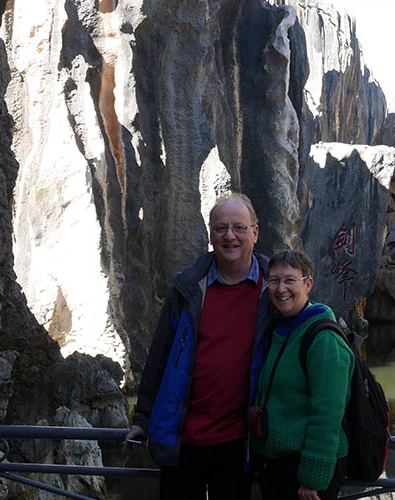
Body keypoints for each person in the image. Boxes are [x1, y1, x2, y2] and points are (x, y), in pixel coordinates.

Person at [125, 193, 274, 500]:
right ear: (210, 235)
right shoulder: (188, 287)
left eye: (239, 227)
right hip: (183, 437)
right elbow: (160, 355)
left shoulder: (275, 291)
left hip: (239, 443)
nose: (229, 236)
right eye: (221, 228)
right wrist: (142, 417)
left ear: (255, 233)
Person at [250, 249, 354, 500]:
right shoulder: (278, 327)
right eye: (274, 280)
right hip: (275, 463)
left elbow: (328, 414)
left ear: (308, 283)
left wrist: (313, 478)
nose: (280, 288)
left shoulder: (323, 338)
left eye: (289, 280)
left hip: (304, 470)